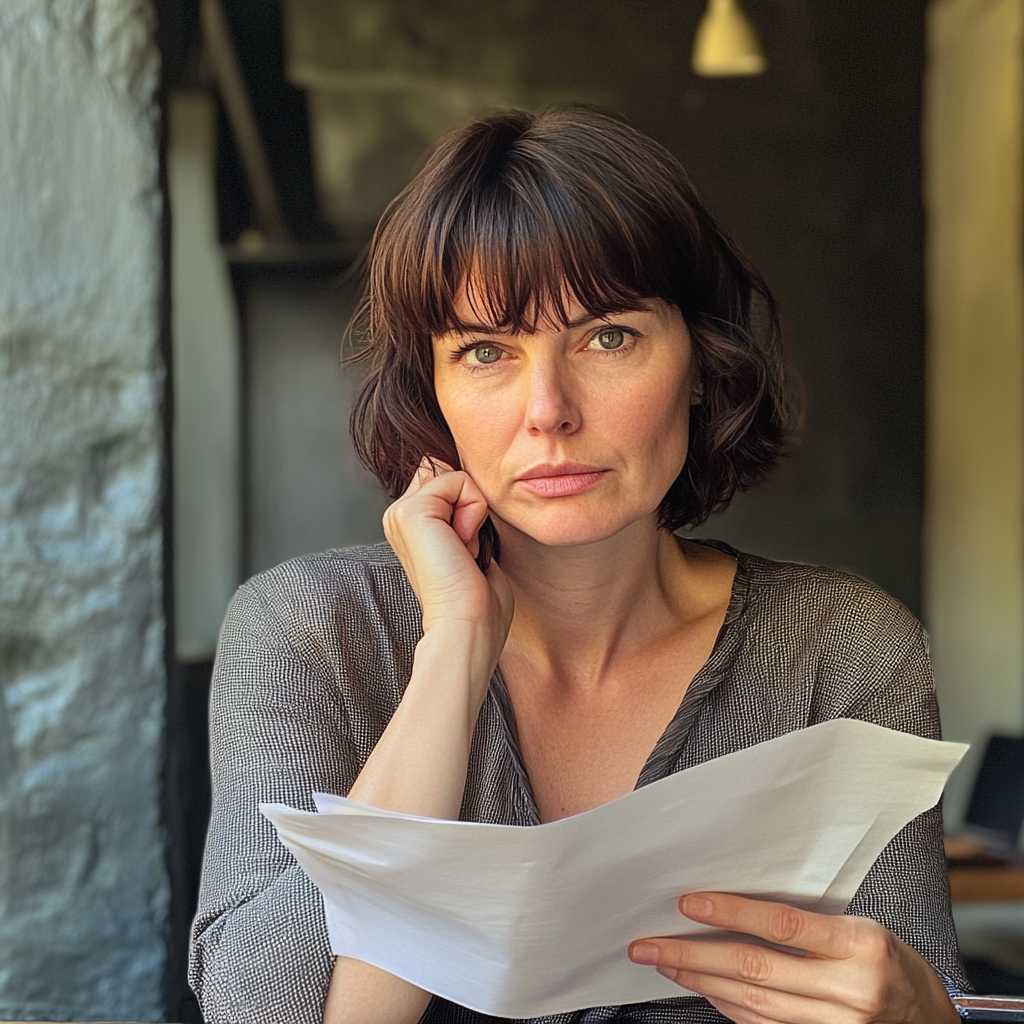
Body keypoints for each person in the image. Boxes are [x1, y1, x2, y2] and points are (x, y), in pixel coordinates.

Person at [189, 106, 968, 1024]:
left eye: (608, 336)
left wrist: (925, 1018)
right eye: (486, 351)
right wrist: (453, 652)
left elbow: (910, 991)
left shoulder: (842, 653)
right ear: (432, 394)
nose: (548, 409)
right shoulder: (310, 631)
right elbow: (266, 1015)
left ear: (701, 361)